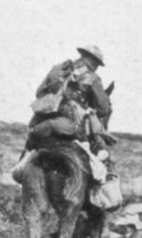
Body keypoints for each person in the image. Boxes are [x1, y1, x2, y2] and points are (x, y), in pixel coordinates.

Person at [12, 45, 118, 192]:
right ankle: (100, 192)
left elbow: (39, 92)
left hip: (42, 122)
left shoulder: (57, 69)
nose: (96, 68)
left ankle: (21, 175)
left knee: (31, 145)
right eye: (97, 65)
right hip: (71, 126)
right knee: (100, 153)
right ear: (93, 62)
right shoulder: (93, 78)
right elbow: (104, 109)